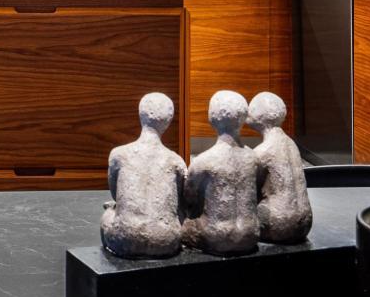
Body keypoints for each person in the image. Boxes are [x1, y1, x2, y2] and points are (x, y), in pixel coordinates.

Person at [101, 92, 185, 258]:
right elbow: (180, 201)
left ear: (141, 116)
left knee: (108, 213)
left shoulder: (118, 155)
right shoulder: (176, 161)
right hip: (168, 240)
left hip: (125, 239)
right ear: (168, 122)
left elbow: (116, 195)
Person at [182, 90, 260, 256]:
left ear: (211, 117)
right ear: (244, 118)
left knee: (182, 222)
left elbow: (189, 199)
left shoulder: (204, 161)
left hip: (216, 236)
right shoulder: (253, 158)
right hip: (251, 233)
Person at [249, 91, 312, 244]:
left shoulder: (262, 151)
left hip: (278, 224)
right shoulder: (291, 144)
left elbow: (250, 189)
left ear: (258, 116)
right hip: (305, 221)